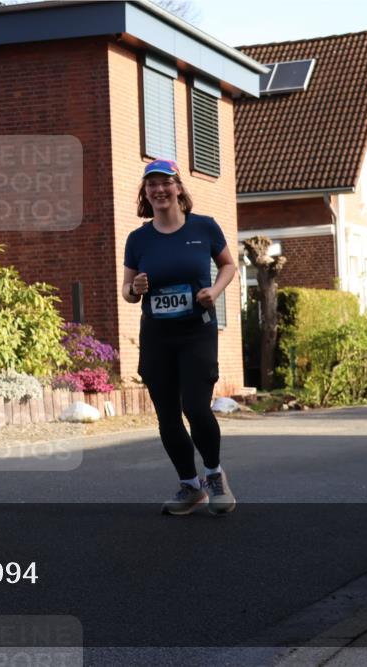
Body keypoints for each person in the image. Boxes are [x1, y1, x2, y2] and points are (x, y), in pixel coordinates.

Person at [122, 158, 238, 516]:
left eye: (165, 183)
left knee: (196, 408)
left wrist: (215, 291)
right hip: (157, 335)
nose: (159, 190)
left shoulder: (204, 227)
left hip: (196, 331)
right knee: (168, 416)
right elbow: (127, 291)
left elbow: (229, 265)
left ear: (178, 189)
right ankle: (190, 486)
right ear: (145, 193)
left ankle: (214, 476)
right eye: (151, 184)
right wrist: (135, 287)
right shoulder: (138, 239)